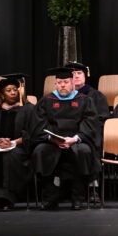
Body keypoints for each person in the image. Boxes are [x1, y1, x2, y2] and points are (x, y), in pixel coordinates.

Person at [32, 68, 101, 210]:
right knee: (40, 151)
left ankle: (78, 198)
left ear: (72, 83)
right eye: (59, 82)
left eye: (66, 82)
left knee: (83, 151)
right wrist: (52, 138)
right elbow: (39, 124)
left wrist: (75, 138)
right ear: (55, 84)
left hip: (77, 140)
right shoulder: (46, 101)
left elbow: (90, 123)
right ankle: (50, 198)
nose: (62, 85)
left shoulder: (85, 100)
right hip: (51, 141)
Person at [0, 75, 36, 211]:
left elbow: (32, 133)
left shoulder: (28, 109)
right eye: (8, 90)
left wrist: (13, 142)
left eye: (15, 90)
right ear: (2, 94)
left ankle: (7, 199)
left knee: (11, 156)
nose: (13, 93)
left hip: (20, 148)